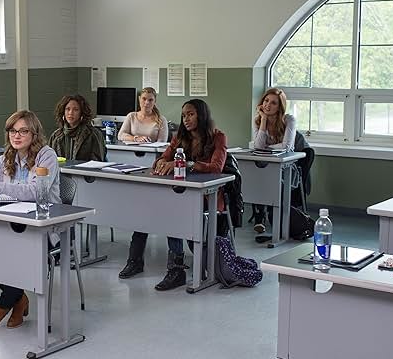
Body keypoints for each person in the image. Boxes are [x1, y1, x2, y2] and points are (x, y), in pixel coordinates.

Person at [121, 99, 227, 291]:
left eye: (191, 114)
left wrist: (187, 164)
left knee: (173, 213)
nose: (186, 119)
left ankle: (176, 269)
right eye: (184, 115)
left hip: (206, 196)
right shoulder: (179, 137)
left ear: (201, 115)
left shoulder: (218, 137)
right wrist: (161, 162)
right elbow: (165, 156)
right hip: (178, 194)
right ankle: (135, 260)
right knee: (144, 212)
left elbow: (216, 167)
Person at [0, 110, 60, 328]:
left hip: (43, 225)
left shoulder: (46, 156)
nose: (16, 136)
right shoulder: (5, 158)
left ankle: (5, 303)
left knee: (5, 251)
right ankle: (19, 299)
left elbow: (38, 190)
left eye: (23, 131)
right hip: (10, 222)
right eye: (12, 131)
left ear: (34, 133)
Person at [117, 87, 170, 279]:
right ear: (139, 100)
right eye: (144, 99)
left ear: (155, 102)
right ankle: (135, 259)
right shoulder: (131, 116)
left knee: (149, 209)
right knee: (139, 209)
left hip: (153, 166)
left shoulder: (160, 120)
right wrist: (135, 138)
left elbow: (164, 145)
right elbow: (120, 136)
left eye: (150, 100)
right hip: (131, 164)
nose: (147, 103)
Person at [250, 87, 309, 233]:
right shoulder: (258, 120)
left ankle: (263, 215)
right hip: (268, 163)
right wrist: (263, 120)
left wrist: (266, 146)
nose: (268, 105)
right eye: (266, 101)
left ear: (280, 106)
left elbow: (287, 147)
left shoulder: (289, 120)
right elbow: (258, 146)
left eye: (274, 103)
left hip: (289, 166)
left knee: (269, 177)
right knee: (256, 174)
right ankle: (262, 215)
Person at [48, 94, 106, 161]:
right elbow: (49, 161)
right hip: (60, 171)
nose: (70, 113)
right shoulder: (56, 136)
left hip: (85, 171)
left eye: (75, 110)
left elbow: (98, 162)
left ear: (82, 113)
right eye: (67, 109)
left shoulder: (93, 134)